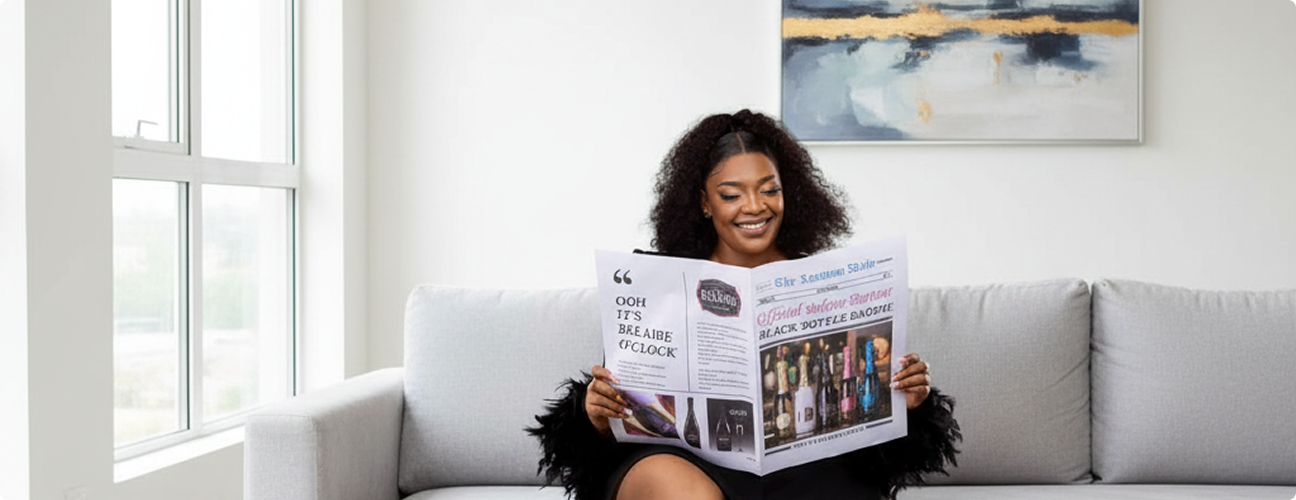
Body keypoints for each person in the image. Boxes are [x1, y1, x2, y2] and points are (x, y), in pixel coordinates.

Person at [529, 110, 959, 500]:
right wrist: (597, 415)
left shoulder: (830, 282)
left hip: (805, 464)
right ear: (704, 202)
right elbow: (625, 406)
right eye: (731, 195)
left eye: (769, 190)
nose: (755, 207)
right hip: (685, 462)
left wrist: (911, 398)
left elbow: (872, 418)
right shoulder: (658, 282)